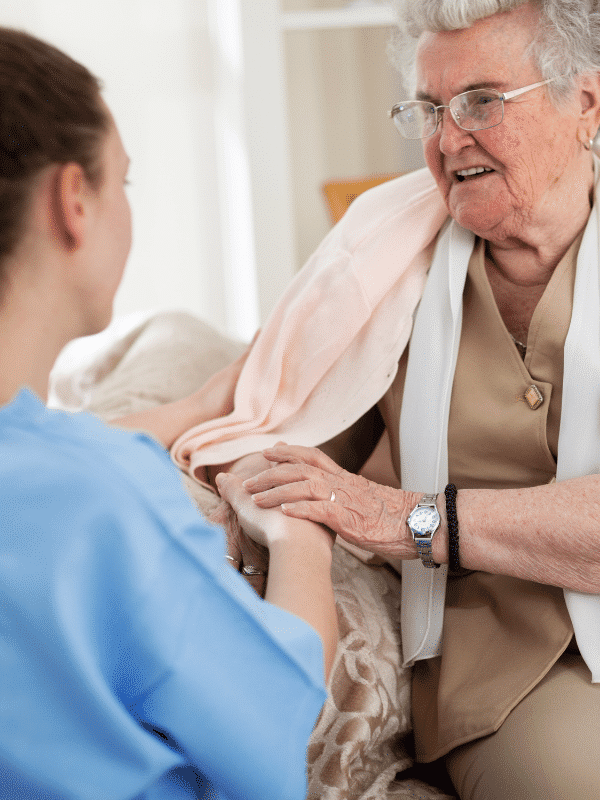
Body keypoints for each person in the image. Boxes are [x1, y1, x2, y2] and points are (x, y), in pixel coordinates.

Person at [168, 2, 600, 798]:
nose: (447, 138)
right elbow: (280, 432)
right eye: (429, 110)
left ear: (587, 101)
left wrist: (402, 517)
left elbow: (372, 506)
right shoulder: (388, 261)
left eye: (481, 100)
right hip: (508, 676)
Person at [0, 27, 338, 800]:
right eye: (125, 180)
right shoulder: (107, 502)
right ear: (71, 201)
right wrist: (304, 539)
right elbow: (279, 710)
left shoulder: (69, 469)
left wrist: (191, 409)